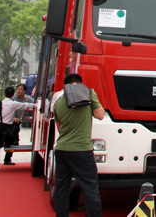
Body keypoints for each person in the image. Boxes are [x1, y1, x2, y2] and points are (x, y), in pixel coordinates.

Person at [53, 73, 105, 217]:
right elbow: (100, 115)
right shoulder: (89, 94)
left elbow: (59, 128)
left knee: (62, 187)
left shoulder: (58, 103)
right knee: (89, 187)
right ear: (80, 83)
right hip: (82, 150)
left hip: (62, 149)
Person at [0, 86, 34, 170]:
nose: (19, 91)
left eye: (20, 89)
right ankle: (5, 153)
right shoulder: (13, 103)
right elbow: (26, 105)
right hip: (8, 126)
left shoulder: (0, 103)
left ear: (4, 94)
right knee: (12, 141)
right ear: (13, 94)